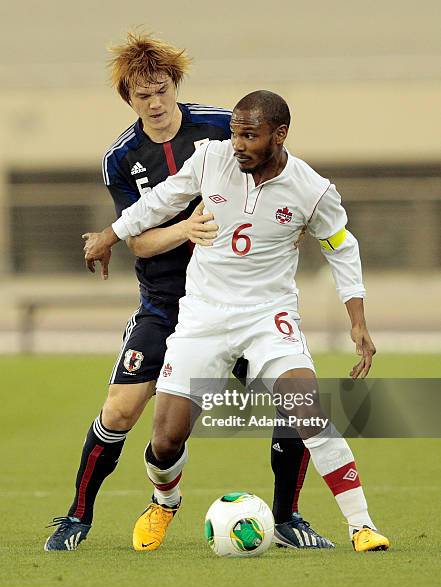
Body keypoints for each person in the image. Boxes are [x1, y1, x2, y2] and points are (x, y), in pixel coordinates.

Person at [45, 34, 331, 551]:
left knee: (297, 402)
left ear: (175, 85)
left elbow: (282, 175)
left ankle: (288, 518)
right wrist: (186, 230)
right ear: (127, 99)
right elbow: (140, 239)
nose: (154, 103)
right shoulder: (120, 158)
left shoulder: (223, 125)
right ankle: (81, 517)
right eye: (141, 95)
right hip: (165, 303)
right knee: (122, 412)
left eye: (161, 90)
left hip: (240, 300)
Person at [83, 90, 390, 553]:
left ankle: (361, 525)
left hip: (268, 316)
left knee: (306, 407)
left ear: (279, 135)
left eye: (249, 135)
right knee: (166, 441)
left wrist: (358, 320)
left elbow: (342, 246)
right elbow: (160, 202)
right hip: (203, 313)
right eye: (234, 133)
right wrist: (110, 234)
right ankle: (166, 500)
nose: (238, 144)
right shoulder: (211, 159)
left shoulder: (312, 189)